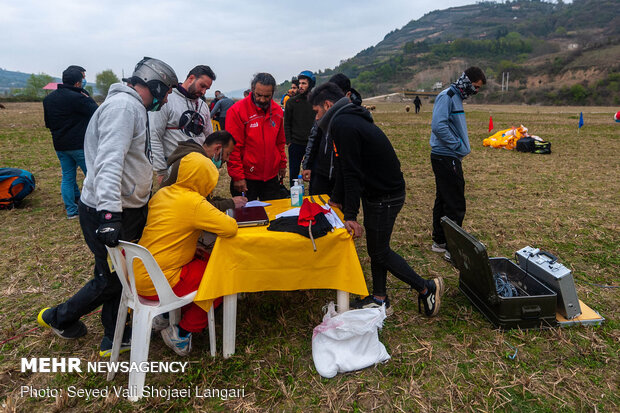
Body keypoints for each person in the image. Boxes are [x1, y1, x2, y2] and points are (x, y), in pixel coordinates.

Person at [37, 57, 178, 357]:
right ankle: (59, 317)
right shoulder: (124, 108)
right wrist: (110, 215)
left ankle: (113, 335)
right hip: (112, 209)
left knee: (118, 273)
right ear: (153, 85)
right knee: (114, 278)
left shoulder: (132, 108)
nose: (165, 98)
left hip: (124, 206)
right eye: (164, 92)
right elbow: (109, 162)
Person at [308, 82, 444, 316]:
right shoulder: (345, 118)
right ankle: (380, 298)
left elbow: (352, 172)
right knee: (377, 247)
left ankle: (426, 288)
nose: (317, 117)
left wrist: (350, 216)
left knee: (379, 251)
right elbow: (344, 165)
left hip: (385, 195)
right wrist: (337, 200)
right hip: (378, 192)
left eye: (317, 111)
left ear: (328, 105)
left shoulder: (342, 123)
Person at [134, 151, 238, 355]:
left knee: (204, 261)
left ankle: (164, 316)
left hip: (137, 273)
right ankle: (181, 331)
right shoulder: (194, 202)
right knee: (220, 276)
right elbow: (230, 228)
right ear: (205, 179)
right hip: (160, 281)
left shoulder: (163, 193)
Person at [429, 67, 486, 261]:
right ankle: (452, 249)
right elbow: (438, 125)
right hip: (446, 156)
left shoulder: (457, 97)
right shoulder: (448, 96)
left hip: (446, 155)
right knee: (455, 202)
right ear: (468, 82)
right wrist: (457, 145)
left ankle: (440, 241)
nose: (476, 91)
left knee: (443, 198)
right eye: (475, 87)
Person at [43, 66, 98, 219]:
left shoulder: (49, 99)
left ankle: (71, 210)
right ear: (78, 83)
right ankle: (95, 206)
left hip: (60, 145)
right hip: (80, 145)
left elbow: (48, 123)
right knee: (92, 175)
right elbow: (96, 112)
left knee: (67, 177)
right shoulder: (79, 97)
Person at [226, 72, 287, 201]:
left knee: (275, 214)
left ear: (273, 93)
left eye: (267, 96)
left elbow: (280, 141)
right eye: (259, 95)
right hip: (247, 178)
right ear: (252, 89)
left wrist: (282, 164)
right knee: (247, 217)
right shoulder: (237, 111)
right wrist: (238, 176)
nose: (262, 100)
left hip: (271, 177)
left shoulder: (277, 111)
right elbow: (233, 148)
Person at [150, 65, 216, 184]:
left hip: (198, 168)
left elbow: (209, 137)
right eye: (202, 86)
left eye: (207, 89)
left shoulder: (203, 106)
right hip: (174, 169)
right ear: (191, 78)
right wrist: (161, 171)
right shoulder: (167, 100)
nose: (203, 92)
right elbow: (154, 136)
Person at [301, 73, 362, 195]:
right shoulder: (324, 110)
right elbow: (314, 137)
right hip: (321, 171)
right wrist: (307, 164)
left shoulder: (357, 115)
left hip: (342, 176)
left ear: (347, 95)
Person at [161, 130, 247, 210]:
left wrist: (230, 201)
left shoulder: (192, 156)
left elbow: (204, 199)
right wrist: (231, 204)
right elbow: (199, 208)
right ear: (217, 149)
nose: (227, 159)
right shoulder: (199, 163)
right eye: (227, 154)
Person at [284, 70, 315, 187]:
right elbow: (286, 123)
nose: (300, 86)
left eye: (304, 84)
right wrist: (289, 141)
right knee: (294, 172)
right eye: (300, 83)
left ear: (311, 85)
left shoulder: (316, 102)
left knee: (314, 171)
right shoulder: (292, 102)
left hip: (312, 144)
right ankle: (294, 193)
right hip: (295, 143)